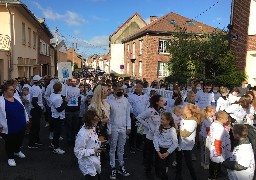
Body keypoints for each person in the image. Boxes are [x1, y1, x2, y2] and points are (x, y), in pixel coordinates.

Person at [0, 83, 29, 166]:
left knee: (19, 140)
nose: (13, 91)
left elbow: (23, 109)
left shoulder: (16, 98)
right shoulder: (0, 101)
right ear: (5, 91)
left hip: (21, 125)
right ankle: (10, 157)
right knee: (10, 143)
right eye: (11, 89)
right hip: (8, 127)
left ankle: (17, 151)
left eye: (13, 89)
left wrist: (26, 119)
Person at [136, 95, 165, 179]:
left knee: (158, 155)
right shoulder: (150, 110)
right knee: (150, 155)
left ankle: (157, 171)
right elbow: (139, 117)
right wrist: (148, 126)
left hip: (160, 137)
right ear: (157, 102)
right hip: (150, 137)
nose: (163, 102)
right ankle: (148, 172)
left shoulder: (163, 111)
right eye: (161, 100)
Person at [107, 84, 131, 180]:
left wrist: (128, 126)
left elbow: (128, 114)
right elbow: (108, 117)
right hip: (114, 127)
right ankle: (112, 167)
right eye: (118, 90)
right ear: (114, 90)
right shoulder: (109, 101)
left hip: (123, 128)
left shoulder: (125, 100)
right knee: (113, 148)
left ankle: (121, 166)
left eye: (121, 89)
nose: (120, 91)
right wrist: (109, 130)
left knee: (121, 148)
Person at [74, 110, 103, 180]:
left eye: (97, 120)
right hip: (87, 165)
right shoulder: (82, 134)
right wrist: (93, 151)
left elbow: (93, 141)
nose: (97, 122)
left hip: (95, 162)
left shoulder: (92, 127)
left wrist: (101, 142)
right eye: (95, 121)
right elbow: (77, 152)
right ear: (89, 121)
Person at [176, 103, 201, 180]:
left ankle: (194, 177)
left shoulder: (193, 121)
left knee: (188, 163)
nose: (183, 108)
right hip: (180, 143)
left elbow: (185, 133)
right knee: (179, 161)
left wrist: (175, 130)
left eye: (185, 108)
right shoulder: (183, 117)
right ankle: (178, 176)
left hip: (187, 145)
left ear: (188, 111)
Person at [153, 112, 178, 180]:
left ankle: (163, 175)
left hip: (168, 151)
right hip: (160, 150)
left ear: (168, 121)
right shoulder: (158, 127)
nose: (161, 120)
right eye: (161, 119)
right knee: (161, 166)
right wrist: (158, 151)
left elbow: (175, 143)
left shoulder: (172, 130)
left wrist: (167, 153)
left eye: (163, 119)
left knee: (166, 166)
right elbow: (155, 138)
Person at [208, 111, 231, 180]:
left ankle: (211, 176)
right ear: (221, 119)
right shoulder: (220, 128)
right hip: (217, 148)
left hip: (213, 147)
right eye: (226, 119)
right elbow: (217, 140)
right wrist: (218, 151)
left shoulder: (214, 124)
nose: (227, 120)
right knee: (216, 165)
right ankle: (214, 177)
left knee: (213, 163)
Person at [128, 82, 149, 153]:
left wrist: (145, 115)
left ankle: (138, 145)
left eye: (138, 87)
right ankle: (131, 146)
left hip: (143, 117)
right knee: (133, 132)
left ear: (142, 88)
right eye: (136, 87)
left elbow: (147, 105)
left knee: (140, 132)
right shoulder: (131, 96)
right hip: (134, 117)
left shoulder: (146, 96)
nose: (136, 88)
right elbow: (129, 106)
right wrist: (133, 113)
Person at [49, 82, 68, 154]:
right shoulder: (57, 98)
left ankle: (53, 144)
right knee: (57, 133)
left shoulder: (53, 94)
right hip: (58, 117)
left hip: (55, 116)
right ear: (60, 89)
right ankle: (56, 148)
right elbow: (59, 109)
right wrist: (65, 102)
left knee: (56, 132)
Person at [28, 75, 44, 148]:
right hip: (35, 110)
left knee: (36, 127)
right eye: (40, 80)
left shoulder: (34, 88)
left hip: (35, 109)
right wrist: (40, 109)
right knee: (35, 127)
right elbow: (34, 101)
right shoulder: (36, 89)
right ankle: (31, 143)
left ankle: (36, 140)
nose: (42, 81)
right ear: (38, 81)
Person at [65, 77, 81, 145]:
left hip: (75, 109)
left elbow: (78, 98)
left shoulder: (78, 89)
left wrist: (78, 107)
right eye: (72, 81)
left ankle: (73, 138)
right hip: (69, 109)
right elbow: (65, 97)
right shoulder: (67, 88)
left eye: (75, 81)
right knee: (69, 125)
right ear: (70, 82)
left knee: (75, 125)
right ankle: (68, 139)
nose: (74, 82)